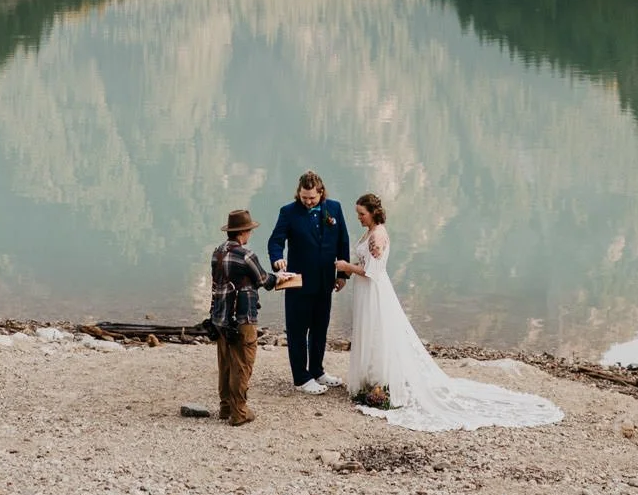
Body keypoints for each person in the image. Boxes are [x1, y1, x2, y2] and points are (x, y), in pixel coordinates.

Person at [337, 192, 562, 432]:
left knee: (379, 335)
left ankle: (381, 387)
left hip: (374, 292)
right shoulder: (371, 231)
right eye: (358, 214)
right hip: (367, 292)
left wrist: (345, 267)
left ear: (372, 213)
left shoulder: (378, 235)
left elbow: (372, 271)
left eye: (361, 214)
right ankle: (373, 382)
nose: (359, 218)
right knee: (372, 335)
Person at [209, 207, 299, 426]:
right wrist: (281, 278)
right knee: (242, 364)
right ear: (243, 232)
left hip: (220, 318)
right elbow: (264, 281)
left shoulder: (217, 252)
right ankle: (239, 412)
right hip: (242, 318)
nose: (249, 234)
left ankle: (225, 407)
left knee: (226, 363)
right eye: (248, 230)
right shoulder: (246, 254)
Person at [267, 171, 350, 394]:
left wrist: (342, 275)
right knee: (297, 331)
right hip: (297, 282)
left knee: (320, 328)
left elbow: (343, 241)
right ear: (299, 193)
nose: (308, 201)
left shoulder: (335, 208)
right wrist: (277, 259)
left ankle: (317, 371)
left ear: (321, 192)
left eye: (311, 197)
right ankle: (301, 378)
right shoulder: (288, 212)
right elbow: (275, 241)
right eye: (304, 197)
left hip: (325, 281)